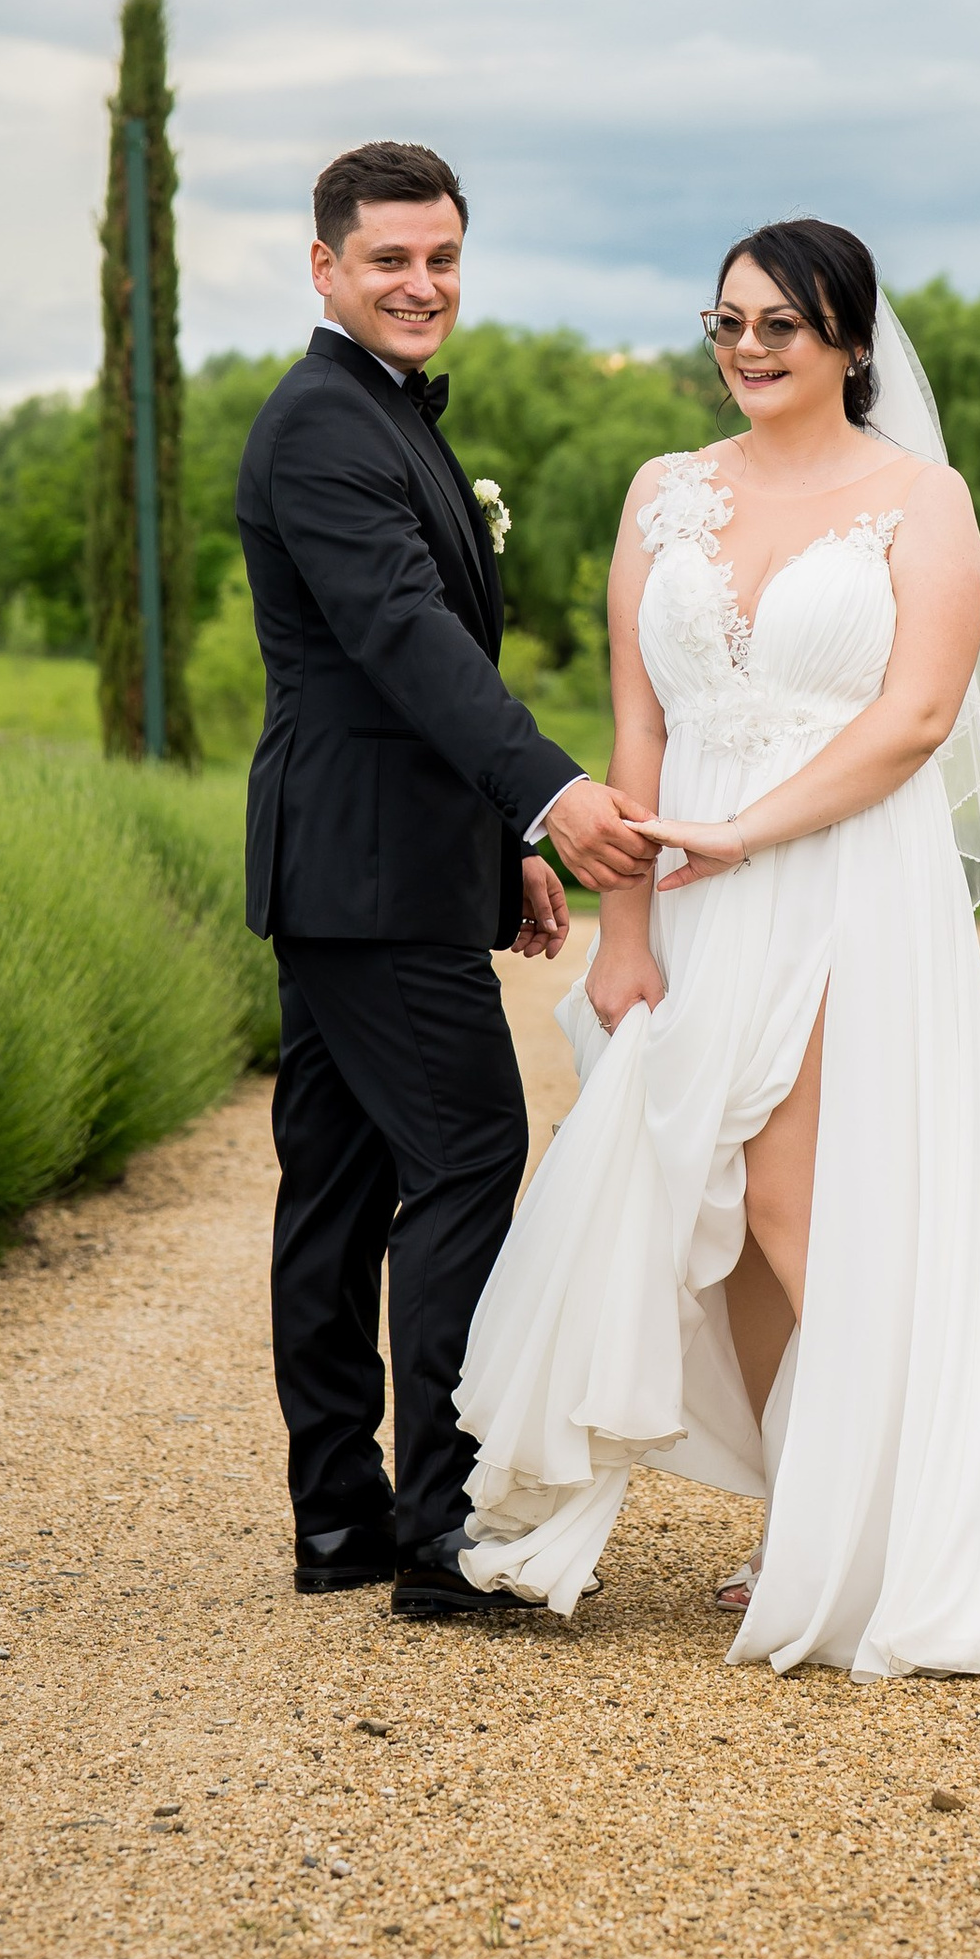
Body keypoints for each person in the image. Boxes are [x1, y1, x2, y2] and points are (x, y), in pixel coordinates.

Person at [454, 217, 980, 1679]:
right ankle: (801, 1507)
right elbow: (639, 721)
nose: (749, 351)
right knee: (722, 1224)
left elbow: (909, 720)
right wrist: (627, 927)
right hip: (689, 872)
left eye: (780, 326)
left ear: (849, 340)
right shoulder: (663, 495)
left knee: (785, 1193)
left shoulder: (922, 500)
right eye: (728, 325)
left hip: (841, 873)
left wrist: (748, 836)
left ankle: (908, 1531)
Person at [237, 140, 658, 1621]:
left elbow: (424, 674)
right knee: (471, 1161)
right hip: (364, 877)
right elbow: (409, 644)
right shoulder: (324, 429)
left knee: (342, 1193)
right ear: (326, 270)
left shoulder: (375, 417)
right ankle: (438, 1533)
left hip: (376, 868)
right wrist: (550, 793)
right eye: (391, 261)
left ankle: (344, 1526)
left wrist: (506, 857)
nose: (422, 285)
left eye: (443, 260)